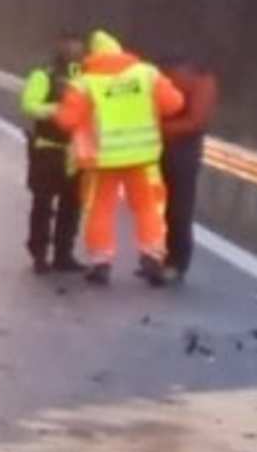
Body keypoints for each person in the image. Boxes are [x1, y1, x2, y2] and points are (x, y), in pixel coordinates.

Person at [54, 29, 187, 286]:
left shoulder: (85, 82)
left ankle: (101, 262)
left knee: (100, 209)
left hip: (103, 160)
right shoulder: (146, 73)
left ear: (92, 55)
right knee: (147, 207)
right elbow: (175, 103)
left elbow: (66, 120)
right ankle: (152, 255)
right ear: (120, 50)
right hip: (141, 156)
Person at [18, 30, 86, 272]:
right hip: (47, 149)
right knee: (43, 203)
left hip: (76, 152)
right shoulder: (43, 74)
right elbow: (29, 104)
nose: (72, 49)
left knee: (72, 205)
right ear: (59, 46)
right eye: (68, 44)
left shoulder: (88, 77)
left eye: (77, 44)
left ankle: (63, 254)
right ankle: (39, 253)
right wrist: (57, 109)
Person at [154, 46, 221, 285]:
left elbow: (195, 122)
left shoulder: (199, 81)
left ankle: (175, 261)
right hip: (167, 148)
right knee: (161, 208)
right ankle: (162, 258)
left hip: (181, 151)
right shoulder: (200, 79)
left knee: (177, 208)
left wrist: (156, 131)